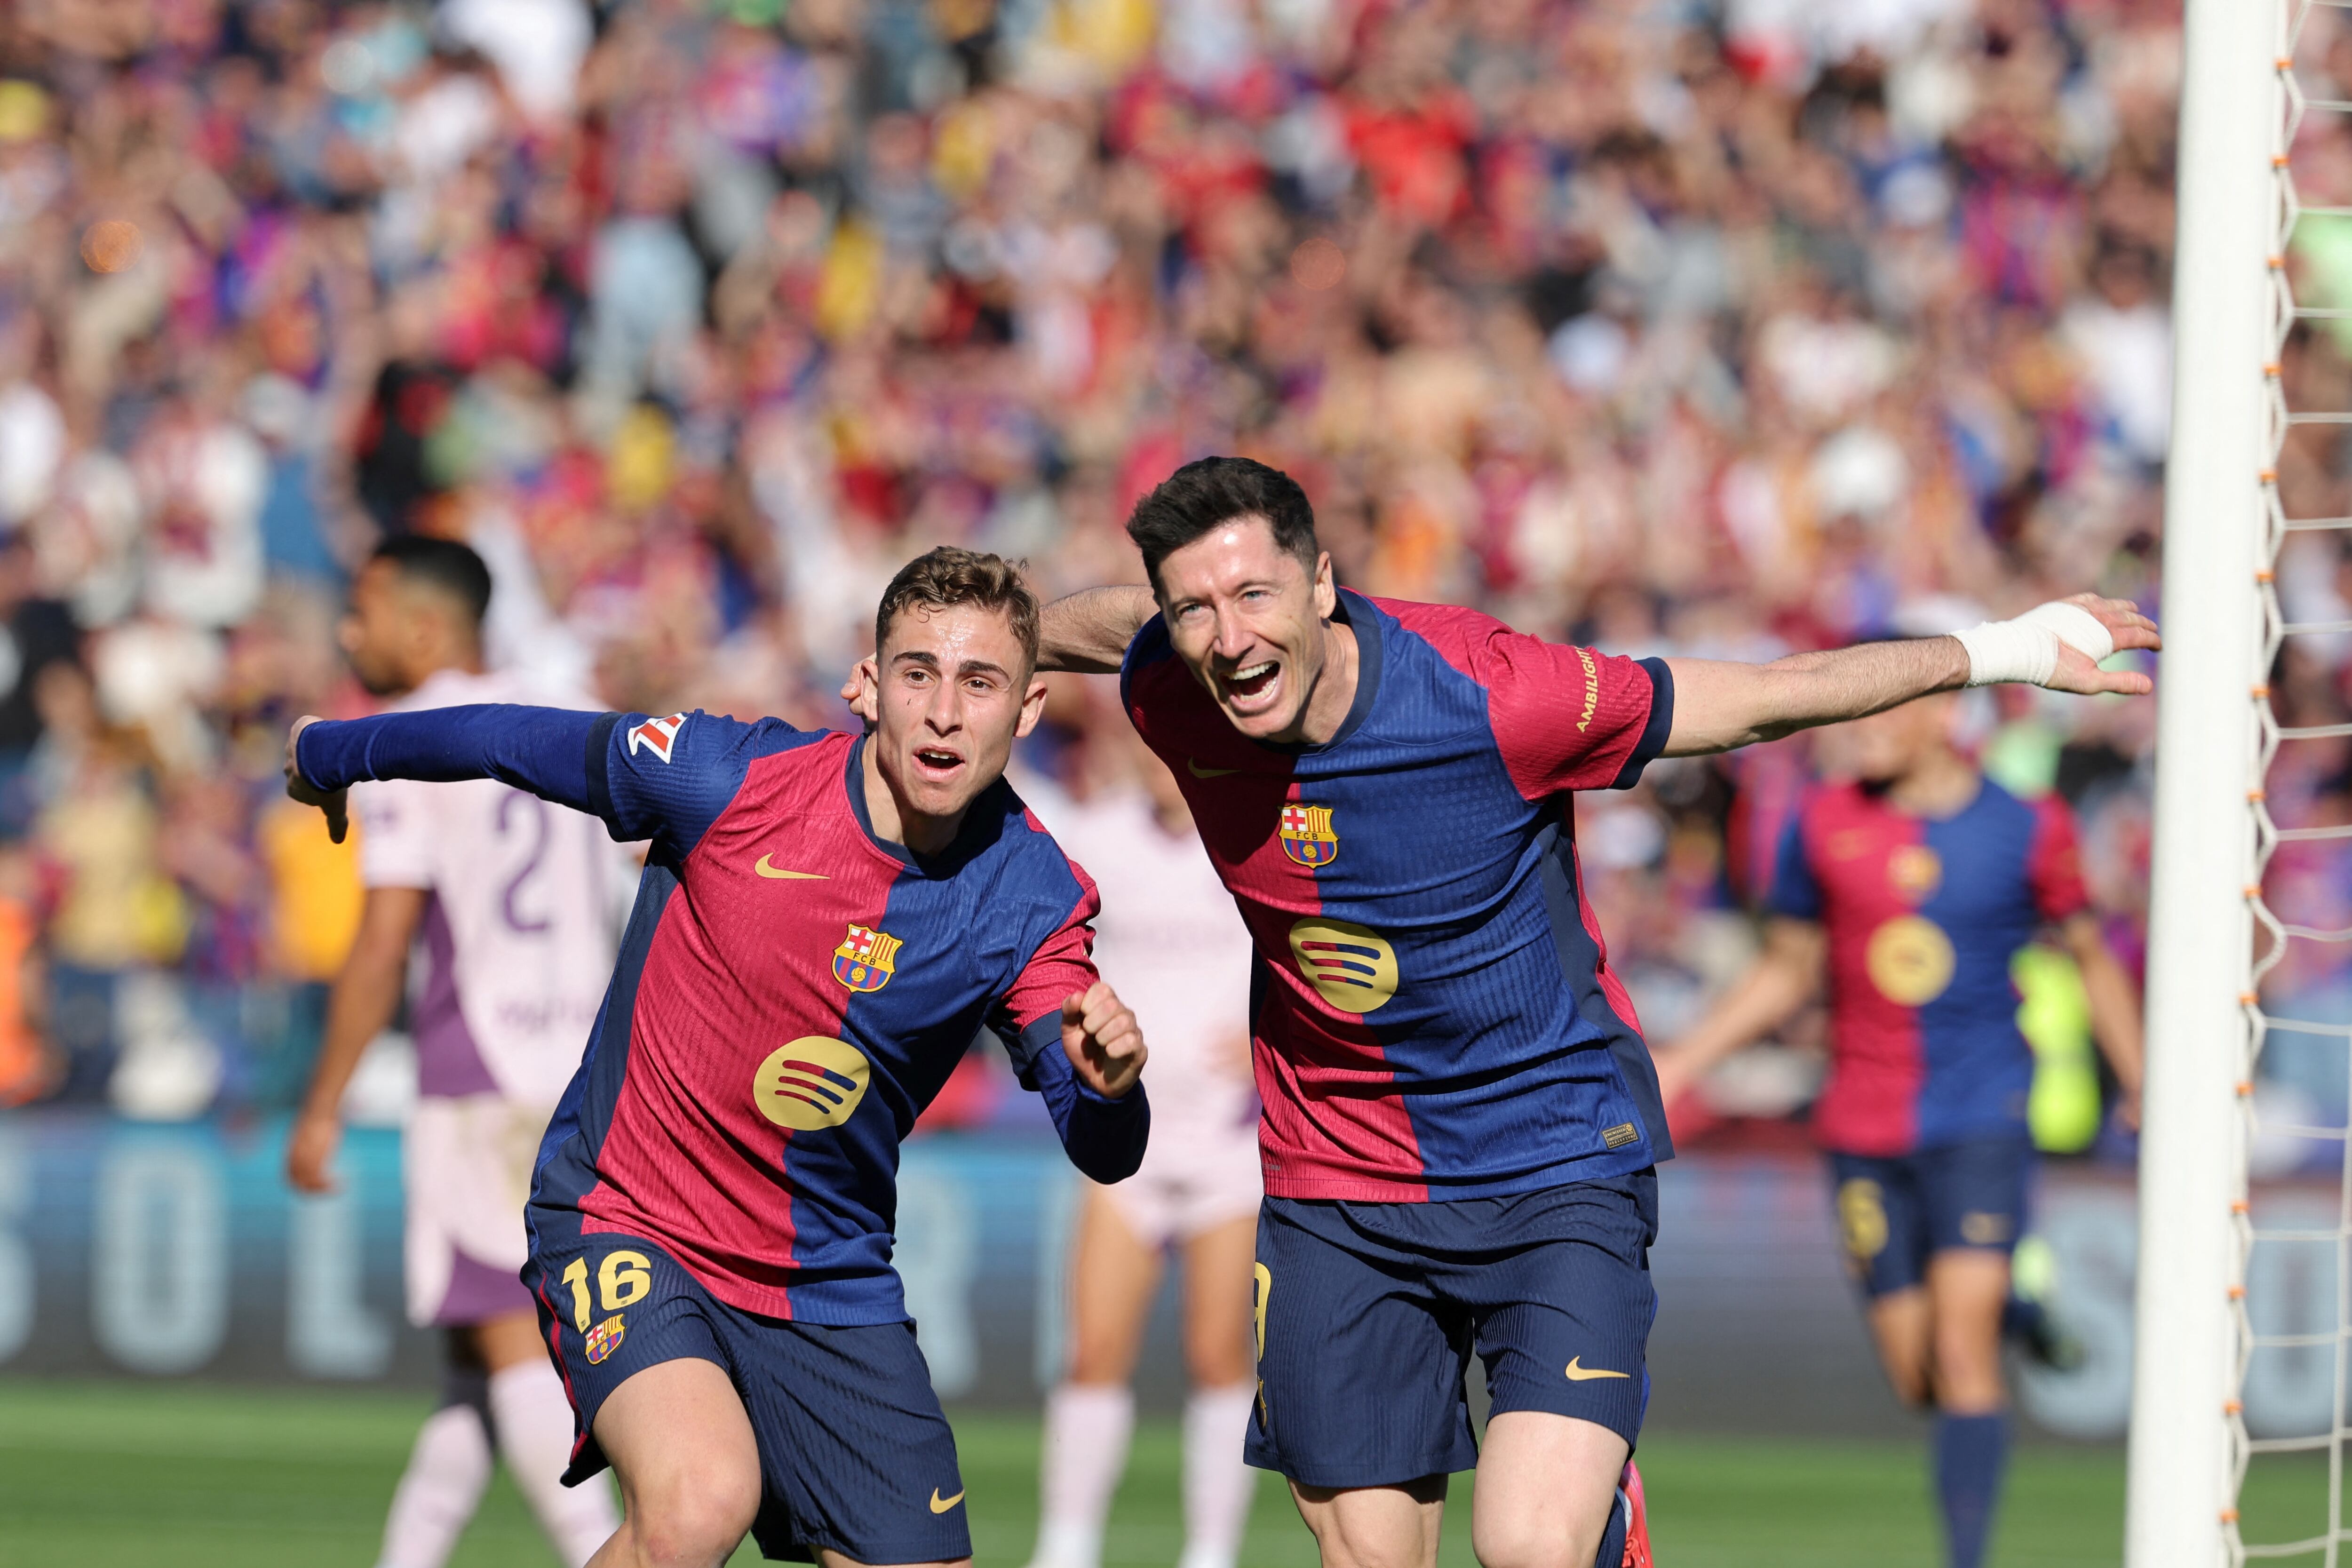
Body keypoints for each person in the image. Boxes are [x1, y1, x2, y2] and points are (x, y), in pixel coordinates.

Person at [1024, 456, 2157, 1568]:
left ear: (1323, 582)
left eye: (1256, 595)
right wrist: (976, 640)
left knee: (1527, 1543)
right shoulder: (1172, 675)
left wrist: (2007, 648)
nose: (1229, 636)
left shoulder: (1494, 692)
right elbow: (1099, 623)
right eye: (1197, 610)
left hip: (1552, 1156)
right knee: (1369, 1552)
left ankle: (1611, 1520)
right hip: (1340, 1179)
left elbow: (1764, 698)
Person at [285, 546, 1152, 1568]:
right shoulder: (726, 776)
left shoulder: (1034, 896)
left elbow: (1103, 1147)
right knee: (701, 1498)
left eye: (980, 683)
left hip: (827, 1277)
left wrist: (1111, 1091)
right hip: (627, 1212)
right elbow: (513, 737)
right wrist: (335, 748)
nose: (945, 712)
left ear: (1031, 705)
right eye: (917, 672)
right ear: (864, 684)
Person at [1648, 690, 2145, 1568]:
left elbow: (2092, 955)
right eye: (1855, 708)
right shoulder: (1823, 820)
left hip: (1982, 1115)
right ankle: (2019, 1307)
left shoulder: (2027, 825)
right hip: (1863, 1126)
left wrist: (2145, 1083)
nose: (1857, 727)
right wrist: (1685, 1059)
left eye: (1880, 711)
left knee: (1961, 1352)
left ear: (1944, 716)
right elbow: (1787, 967)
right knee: (1920, 1372)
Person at [286, 535, 623, 1568]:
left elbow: (385, 937)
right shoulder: (569, 707)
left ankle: (613, 1548)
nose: (350, 632)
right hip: (585, 1065)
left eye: (366, 610)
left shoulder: (405, 738)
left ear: (425, 626)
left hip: (482, 1070)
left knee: (511, 1343)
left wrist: (323, 1101)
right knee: (475, 1359)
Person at [1020, 712, 1262, 1568]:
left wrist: (1270, 1037)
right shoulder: (1101, 840)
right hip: (1129, 1142)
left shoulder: (1253, 839)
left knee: (1219, 1354)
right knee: (1093, 1351)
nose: (1173, 769)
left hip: (1231, 1147)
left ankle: (1210, 1551)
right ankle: (1067, 1545)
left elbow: (1314, 956)